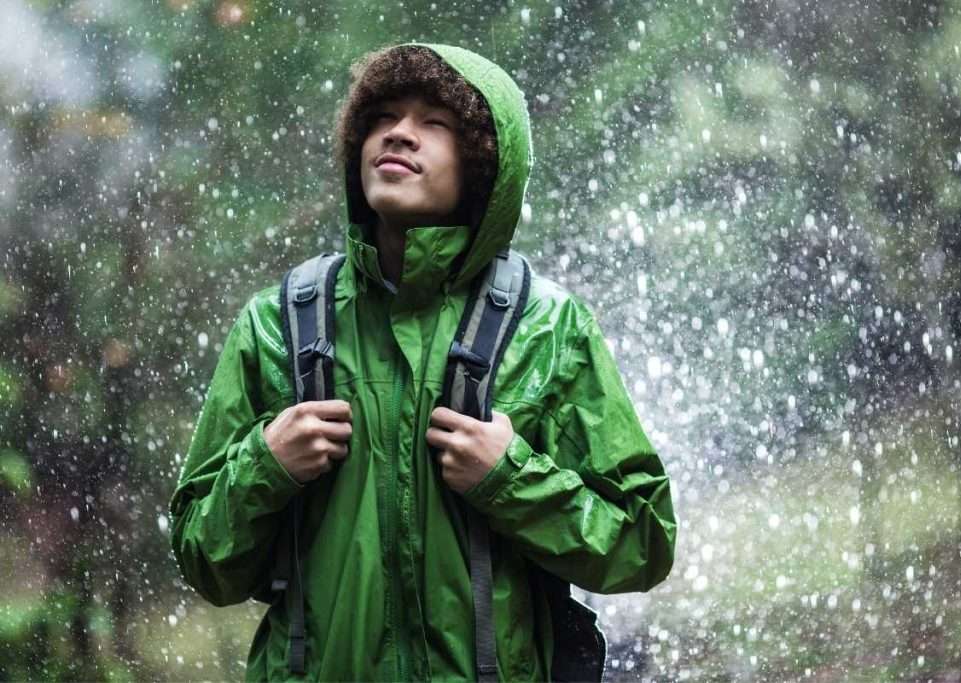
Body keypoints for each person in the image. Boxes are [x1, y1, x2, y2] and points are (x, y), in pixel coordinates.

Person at [169, 42, 677, 681]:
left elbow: (642, 544)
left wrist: (509, 478)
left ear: (485, 167)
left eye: (434, 123)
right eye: (381, 118)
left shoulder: (547, 329)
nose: (399, 134)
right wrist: (266, 465)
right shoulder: (277, 324)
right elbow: (202, 560)